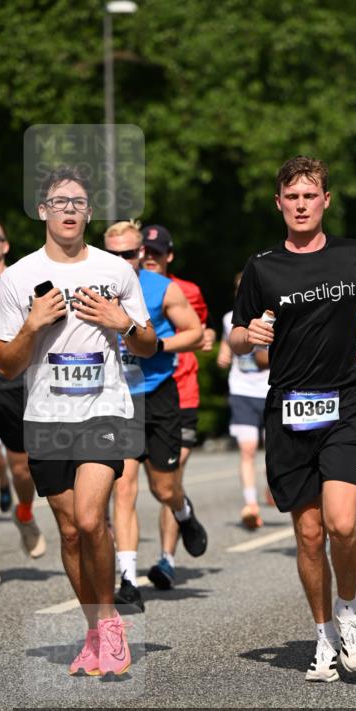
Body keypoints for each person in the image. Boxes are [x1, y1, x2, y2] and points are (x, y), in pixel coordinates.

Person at [0, 166, 157, 675]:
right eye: (59, 202)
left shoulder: (115, 270)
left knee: (90, 519)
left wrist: (122, 323)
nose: (69, 210)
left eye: (78, 203)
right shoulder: (18, 278)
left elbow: (148, 344)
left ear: (89, 213)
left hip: (104, 408)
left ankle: (109, 623)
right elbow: (7, 365)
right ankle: (92, 629)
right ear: (42, 210)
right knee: (68, 533)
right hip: (45, 415)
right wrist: (33, 324)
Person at [229, 156, 356, 683]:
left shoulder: (352, 253)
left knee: (341, 523)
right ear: (279, 203)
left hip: (346, 402)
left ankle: (349, 613)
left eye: (309, 196)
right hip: (290, 409)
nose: (301, 205)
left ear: (326, 201)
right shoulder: (262, 267)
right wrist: (248, 336)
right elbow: (236, 337)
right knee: (309, 533)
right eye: (292, 197)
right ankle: (322, 637)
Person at [103, 221, 206, 611]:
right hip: (117, 398)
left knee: (163, 489)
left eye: (128, 254)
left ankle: (184, 512)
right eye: (112, 254)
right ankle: (129, 580)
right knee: (123, 486)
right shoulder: (89, 287)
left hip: (159, 394)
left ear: (141, 254)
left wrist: (157, 345)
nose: (121, 261)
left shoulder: (162, 288)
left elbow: (195, 333)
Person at [138, 224, 215, 588]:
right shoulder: (124, 287)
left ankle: (166, 560)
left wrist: (207, 337)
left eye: (157, 252)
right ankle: (125, 567)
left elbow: (201, 329)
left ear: (169, 256)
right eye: (144, 251)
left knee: (170, 480)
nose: (149, 257)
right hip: (140, 395)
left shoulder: (187, 291)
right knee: (150, 486)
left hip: (181, 392)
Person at [0, 220, 47, 559]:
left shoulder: (20, 282)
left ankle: (25, 512)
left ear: (5, 245)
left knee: (22, 469)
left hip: (15, 381)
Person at [218, 273, 271, 530]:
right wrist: (223, 355)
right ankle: (251, 505)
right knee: (247, 448)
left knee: (274, 449)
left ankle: (273, 485)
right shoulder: (229, 318)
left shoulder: (271, 317)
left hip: (271, 390)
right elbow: (226, 343)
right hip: (242, 391)